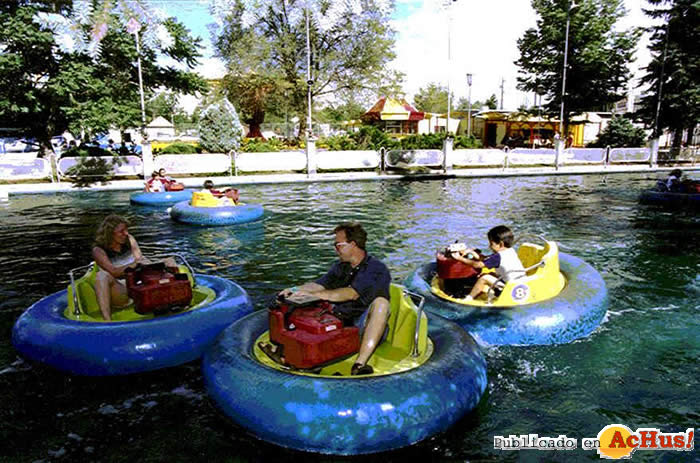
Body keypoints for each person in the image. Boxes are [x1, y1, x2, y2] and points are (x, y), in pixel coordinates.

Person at [278, 222, 391, 376]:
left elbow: (350, 294)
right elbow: (320, 285)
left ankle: (360, 364)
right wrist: (295, 290)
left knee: (381, 304)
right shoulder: (341, 267)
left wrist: (314, 296)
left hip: (364, 325)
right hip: (340, 320)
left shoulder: (375, 268)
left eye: (338, 245)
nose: (335, 249)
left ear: (353, 244)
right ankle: (297, 357)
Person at [91, 215, 176, 321]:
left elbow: (140, 260)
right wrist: (132, 265)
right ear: (109, 233)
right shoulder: (98, 250)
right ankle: (107, 321)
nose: (125, 233)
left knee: (169, 261)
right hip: (121, 290)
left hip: (139, 284)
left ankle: (177, 301)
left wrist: (161, 263)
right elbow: (113, 272)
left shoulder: (130, 239)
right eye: (121, 231)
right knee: (102, 276)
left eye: (126, 230)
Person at [450, 225, 525, 303]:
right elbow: (486, 259)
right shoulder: (510, 251)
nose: (489, 246)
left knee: (484, 278)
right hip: (518, 283)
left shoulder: (498, 256)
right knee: (489, 274)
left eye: (491, 244)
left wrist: (459, 258)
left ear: (501, 244)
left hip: (509, 287)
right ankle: (481, 289)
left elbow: (478, 265)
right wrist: (473, 253)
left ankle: (469, 298)